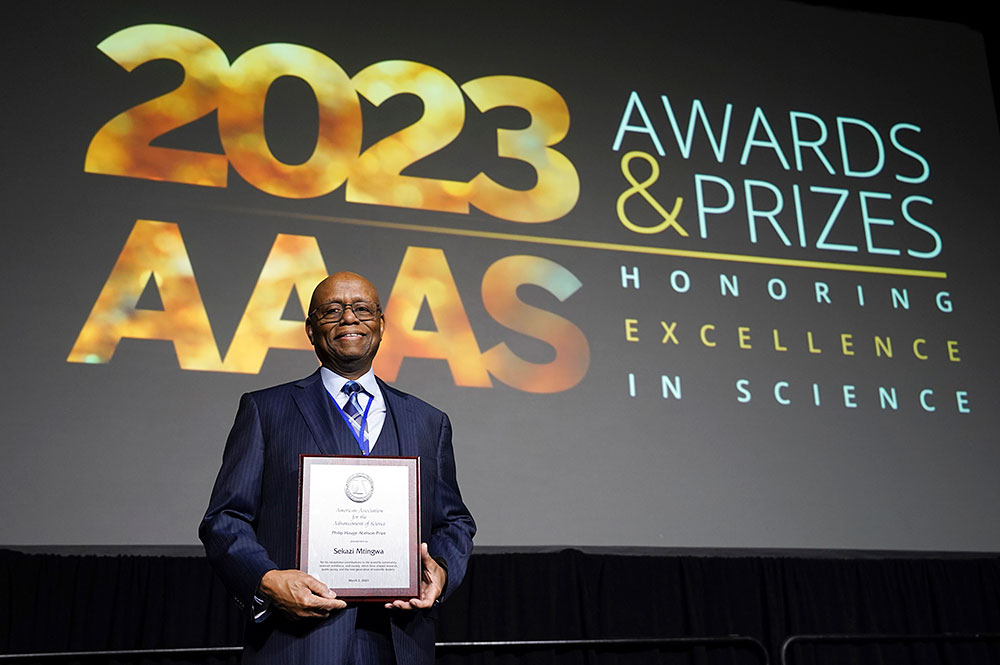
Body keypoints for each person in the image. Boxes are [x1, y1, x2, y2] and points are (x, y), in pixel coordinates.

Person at [200, 272, 476, 665]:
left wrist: (442, 571)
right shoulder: (266, 411)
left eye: (362, 309)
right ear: (311, 330)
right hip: (298, 643)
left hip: (401, 642)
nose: (349, 318)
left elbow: (454, 522)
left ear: (381, 325)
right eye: (333, 310)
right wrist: (266, 579)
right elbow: (225, 518)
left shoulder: (428, 420)